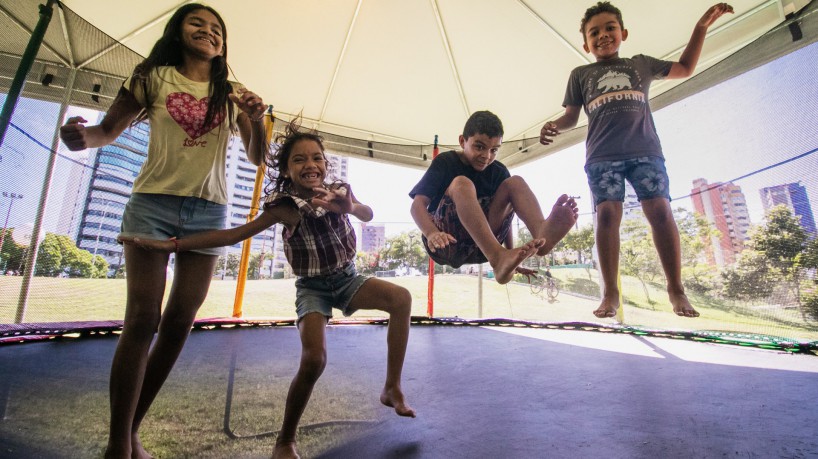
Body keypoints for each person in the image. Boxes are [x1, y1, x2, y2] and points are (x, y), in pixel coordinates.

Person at [121, 117, 416, 459]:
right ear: (288, 171)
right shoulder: (285, 207)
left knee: (401, 299)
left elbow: (365, 213)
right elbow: (232, 236)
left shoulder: (338, 190)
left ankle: (392, 386)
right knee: (314, 359)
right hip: (313, 288)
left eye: (317, 157)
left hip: (348, 278)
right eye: (299, 159)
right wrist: (173, 246)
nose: (311, 164)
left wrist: (349, 206)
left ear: (325, 163)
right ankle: (285, 442)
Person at [59, 4, 268, 458]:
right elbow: (106, 131)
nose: (207, 32)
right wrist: (81, 137)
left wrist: (257, 117)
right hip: (152, 204)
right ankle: (118, 445)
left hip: (209, 212)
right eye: (197, 23)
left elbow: (257, 156)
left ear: (223, 46)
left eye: (216, 29)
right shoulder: (153, 75)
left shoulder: (231, 91)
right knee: (141, 320)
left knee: (177, 325)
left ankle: (132, 428)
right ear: (178, 30)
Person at [540, 2, 734, 318]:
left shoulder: (641, 64)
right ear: (586, 44)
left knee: (659, 209)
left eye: (609, 28)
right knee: (606, 216)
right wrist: (553, 127)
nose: (603, 35)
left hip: (646, 152)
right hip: (603, 156)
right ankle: (611, 293)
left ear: (623, 33)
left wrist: (700, 28)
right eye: (594, 32)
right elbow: (571, 117)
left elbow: (685, 68)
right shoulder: (581, 74)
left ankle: (676, 289)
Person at [410, 110, 578, 285]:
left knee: (515, 183)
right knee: (462, 183)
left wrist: (512, 258)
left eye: (494, 150)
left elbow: (507, 214)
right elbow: (417, 205)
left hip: (483, 246)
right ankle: (497, 257)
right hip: (448, 243)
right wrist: (431, 233)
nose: (486, 156)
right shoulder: (445, 162)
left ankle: (541, 233)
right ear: (462, 141)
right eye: (479, 147)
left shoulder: (498, 171)